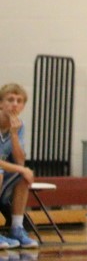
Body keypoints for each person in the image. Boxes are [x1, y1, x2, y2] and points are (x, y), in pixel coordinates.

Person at [0, 81, 37, 250]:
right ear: (1, 103)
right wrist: (22, 168)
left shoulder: (19, 126)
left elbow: (20, 161)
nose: (15, 104)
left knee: (24, 176)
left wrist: (14, 134)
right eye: (10, 99)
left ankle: (16, 228)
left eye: (19, 101)